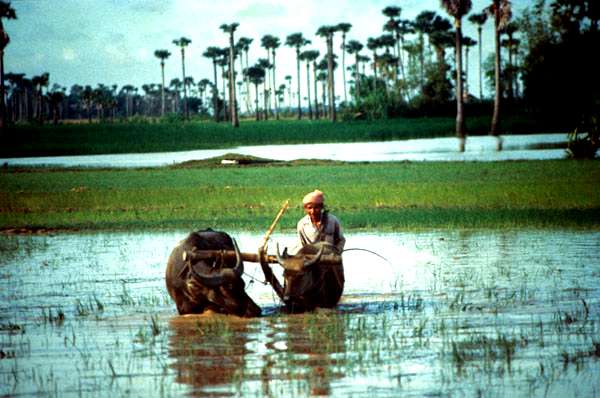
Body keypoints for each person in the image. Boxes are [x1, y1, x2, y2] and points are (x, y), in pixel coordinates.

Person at [296, 189, 346, 254]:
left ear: (321, 207)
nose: (313, 211)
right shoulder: (302, 224)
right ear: (305, 208)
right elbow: (302, 244)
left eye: (316, 208)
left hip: (330, 256)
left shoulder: (332, 220)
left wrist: (338, 251)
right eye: (310, 208)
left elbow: (341, 240)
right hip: (311, 257)